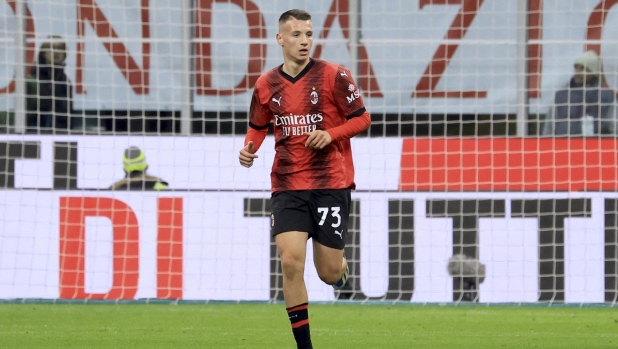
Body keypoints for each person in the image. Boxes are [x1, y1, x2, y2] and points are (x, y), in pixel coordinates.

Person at [238, 9, 371, 349]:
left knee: (327, 272)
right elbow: (257, 126)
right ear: (280, 39)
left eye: (308, 34)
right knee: (289, 261)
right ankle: (304, 347)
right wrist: (248, 149)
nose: (304, 41)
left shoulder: (334, 75)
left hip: (331, 184)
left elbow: (362, 119)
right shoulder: (266, 84)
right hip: (287, 184)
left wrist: (331, 134)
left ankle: (341, 271)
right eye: (296, 34)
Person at [542, 50, 617, 136]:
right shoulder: (561, 96)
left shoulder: (607, 97)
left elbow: (614, 127)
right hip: (564, 146)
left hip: (596, 146)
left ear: (593, 72)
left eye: (583, 68)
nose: (578, 72)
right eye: (576, 68)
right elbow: (549, 127)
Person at [26, 35, 72, 132]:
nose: (56, 52)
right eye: (51, 48)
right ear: (44, 52)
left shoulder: (65, 81)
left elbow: (67, 112)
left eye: (60, 48)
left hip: (60, 132)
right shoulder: (33, 77)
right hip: (34, 131)